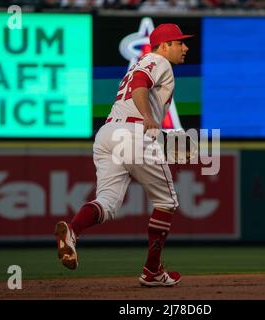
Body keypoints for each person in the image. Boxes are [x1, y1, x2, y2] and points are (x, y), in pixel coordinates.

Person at [54, 24, 193, 287]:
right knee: (167, 201)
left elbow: (138, 83)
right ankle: (152, 270)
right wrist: (148, 118)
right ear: (164, 46)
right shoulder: (158, 60)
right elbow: (141, 85)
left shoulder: (143, 63)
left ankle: (73, 230)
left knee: (106, 203)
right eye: (179, 42)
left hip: (107, 133)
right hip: (132, 131)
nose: (185, 47)